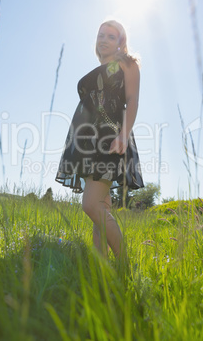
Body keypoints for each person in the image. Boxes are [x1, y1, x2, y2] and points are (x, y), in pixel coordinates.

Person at [55, 20, 144, 259]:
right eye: (101, 35)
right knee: (101, 208)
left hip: (109, 137)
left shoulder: (128, 64)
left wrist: (123, 135)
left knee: (91, 205)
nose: (103, 39)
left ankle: (124, 264)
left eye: (111, 36)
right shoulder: (95, 71)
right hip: (86, 141)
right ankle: (101, 270)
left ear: (120, 42)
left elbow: (133, 100)